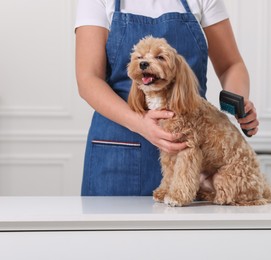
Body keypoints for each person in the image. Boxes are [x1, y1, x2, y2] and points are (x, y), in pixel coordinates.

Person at [75, 0, 259, 196]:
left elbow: (230, 65)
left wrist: (236, 103)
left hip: (191, 153)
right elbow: (88, 79)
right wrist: (140, 123)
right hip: (118, 150)